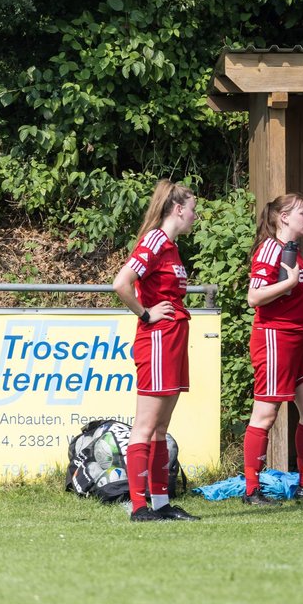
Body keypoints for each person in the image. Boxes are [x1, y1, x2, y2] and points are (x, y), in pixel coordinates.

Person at [112, 179, 201, 522]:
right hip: (158, 340)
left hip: (174, 338)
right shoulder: (155, 240)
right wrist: (146, 313)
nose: (195, 216)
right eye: (192, 210)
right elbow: (121, 283)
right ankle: (138, 507)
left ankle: (162, 504)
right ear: (178, 209)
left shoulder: (172, 248)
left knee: (161, 428)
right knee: (145, 426)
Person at [242, 192, 303, 505]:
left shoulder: (293, 252)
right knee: (265, 413)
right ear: (283, 217)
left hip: (297, 341)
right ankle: (252, 490)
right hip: (275, 339)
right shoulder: (270, 248)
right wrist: (287, 285)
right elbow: (254, 297)